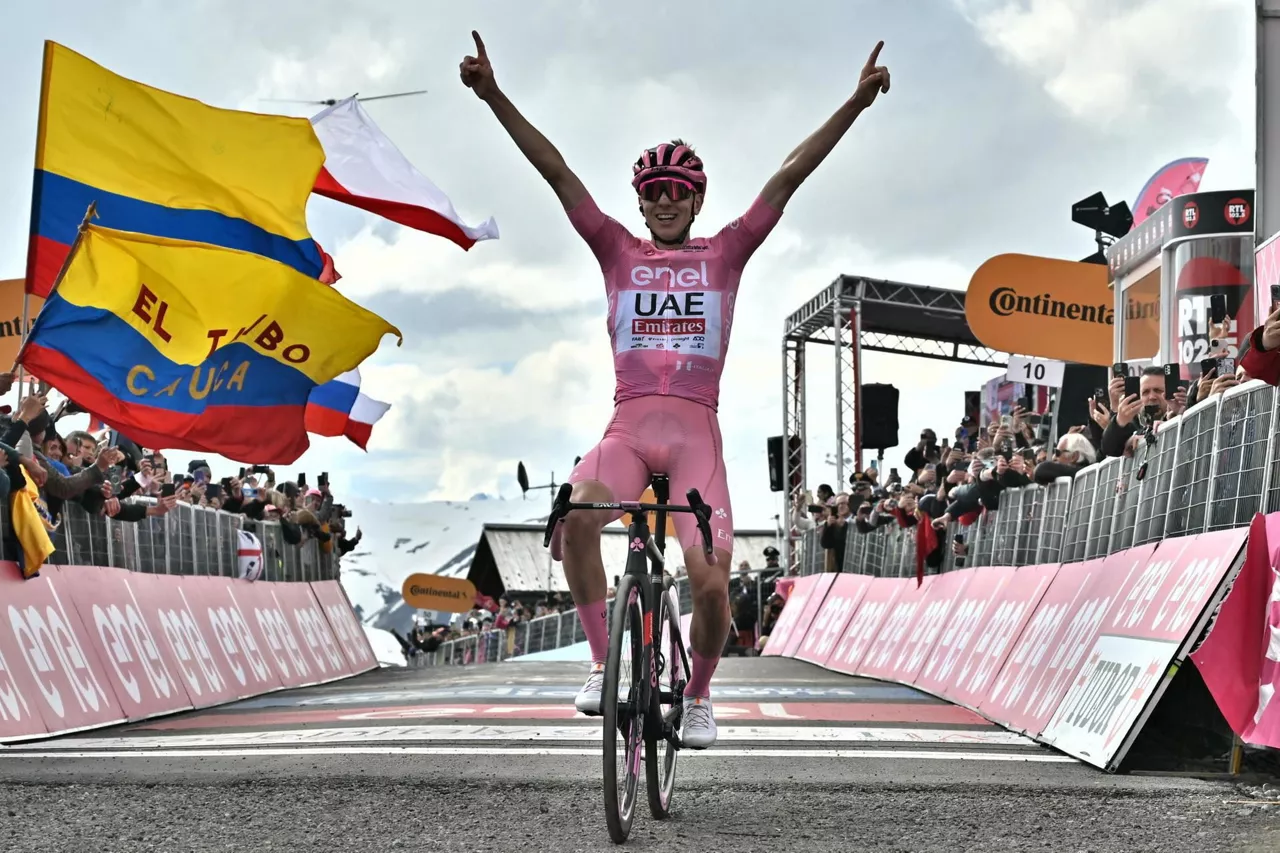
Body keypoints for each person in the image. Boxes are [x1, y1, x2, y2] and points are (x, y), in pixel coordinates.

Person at [460, 30, 890, 748]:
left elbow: (788, 176)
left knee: (713, 584)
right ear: (640, 199)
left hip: (697, 437)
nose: (663, 203)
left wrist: (853, 102)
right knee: (572, 523)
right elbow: (557, 172)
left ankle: (697, 695)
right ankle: (603, 666)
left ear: (696, 199)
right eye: (652, 193)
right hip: (627, 430)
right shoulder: (615, 249)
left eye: (676, 193)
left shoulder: (725, 252)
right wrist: (493, 95)